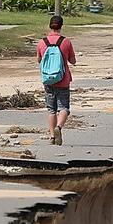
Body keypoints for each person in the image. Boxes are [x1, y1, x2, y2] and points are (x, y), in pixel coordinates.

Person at [36, 14, 77, 145]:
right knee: (64, 108)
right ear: (61, 26)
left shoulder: (42, 42)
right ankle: (58, 127)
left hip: (48, 80)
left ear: (49, 26)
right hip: (63, 79)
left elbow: (39, 60)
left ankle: (52, 137)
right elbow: (73, 61)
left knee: (51, 109)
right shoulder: (66, 41)